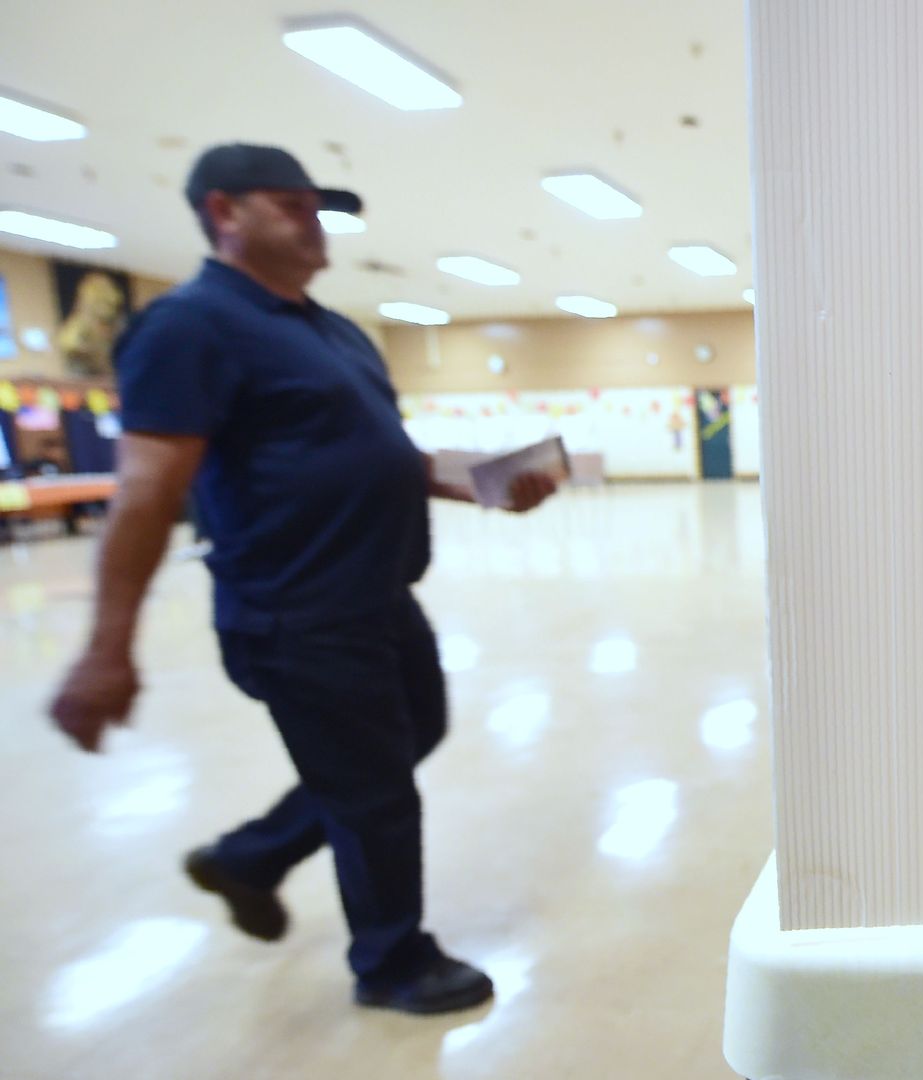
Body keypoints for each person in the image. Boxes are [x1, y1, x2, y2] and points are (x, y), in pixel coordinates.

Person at [48, 144, 559, 1015]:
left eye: (319, 206)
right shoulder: (189, 326)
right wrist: (107, 650)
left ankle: (251, 856)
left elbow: (386, 459)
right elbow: (146, 492)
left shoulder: (334, 331)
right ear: (223, 213)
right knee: (375, 792)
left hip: (379, 596)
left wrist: (488, 485)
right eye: (289, 204)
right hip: (296, 610)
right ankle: (393, 961)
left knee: (412, 736)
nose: (312, 220)